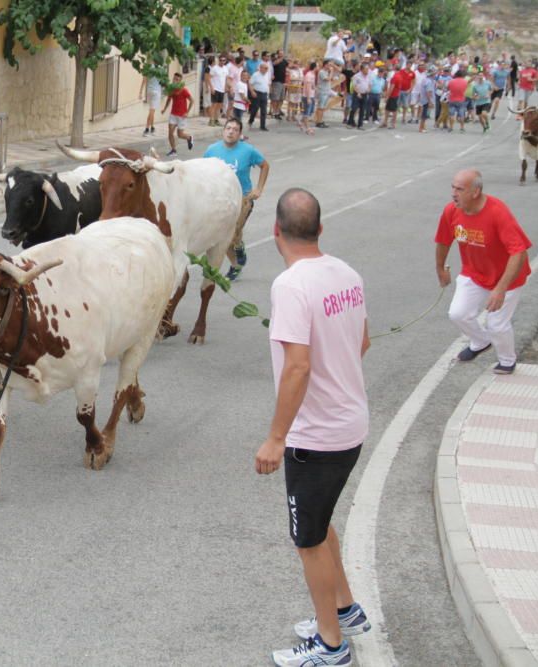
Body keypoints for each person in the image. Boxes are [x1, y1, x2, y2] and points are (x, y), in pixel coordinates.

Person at [257, 188, 371, 667]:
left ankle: (330, 645)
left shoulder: (290, 286)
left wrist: (277, 437)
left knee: (307, 540)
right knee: (321, 524)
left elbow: (297, 368)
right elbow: (361, 341)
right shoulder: (346, 272)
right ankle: (344, 609)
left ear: (275, 232)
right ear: (320, 229)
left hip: (316, 438)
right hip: (351, 423)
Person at [436, 170, 532, 375]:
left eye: (460, 189)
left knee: (496, 324)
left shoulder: (497, 212)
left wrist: (501, 288)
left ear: (475, 192)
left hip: (508, 277)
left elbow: (519, 252)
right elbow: (443, 240)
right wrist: (440, 268)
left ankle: (507, 360)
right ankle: (480, 341)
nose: (454, 193)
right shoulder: (451, 211)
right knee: (457, 313)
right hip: (474, 273)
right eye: (452, 187)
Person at [203, 118, 270, 280]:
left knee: (231, 235)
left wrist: (259, 189)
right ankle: (236, 263)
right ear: (223, 131)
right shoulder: (212, 150)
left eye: (235, 129)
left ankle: (237, 249)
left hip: (243, 199)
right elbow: (203, 172)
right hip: (220, 199)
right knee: (222, 236)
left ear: (240, 134)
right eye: (228, 128)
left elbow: (265, 165)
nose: (231, 132)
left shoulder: (248, 151)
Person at [161, 72, 194, 156]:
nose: (175, 81)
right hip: (173, 114)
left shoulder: (183, 90)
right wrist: (164, 109)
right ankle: (173, 150)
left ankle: (189, 138)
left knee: (180, 135)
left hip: (182, 115)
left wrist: (187, 112)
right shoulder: (171, 89)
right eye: (174, 79)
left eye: (177, 79)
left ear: (180, 81)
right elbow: (169, 99)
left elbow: (192, 101)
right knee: (170, 133)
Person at [249, 61, 272, 131]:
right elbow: (250, 84)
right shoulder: (255, 75)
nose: (266, 69)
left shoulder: (267, 74)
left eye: (267, 68)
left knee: (264, 111)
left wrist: (269, 92)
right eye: (265, 68)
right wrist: (252, 91)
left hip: (264, 94)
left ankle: (262, 126)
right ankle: (251, 120)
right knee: (255, 109)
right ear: (261, 68)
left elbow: (268, 84)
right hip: (257, 93)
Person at [208, 55, 230, 126]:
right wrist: (211, 88)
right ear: (218, 60)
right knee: (214, 105)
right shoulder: (214, 68)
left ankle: (216, 119)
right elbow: (209, 78)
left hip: (222, 90)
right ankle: (211, 120)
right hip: (215, 89)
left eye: (224, 60)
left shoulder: (226, 69)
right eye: (221, 60)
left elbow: (226, 79)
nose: (222, 62)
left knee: (219, 106)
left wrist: (226, 87)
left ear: (225, 61)